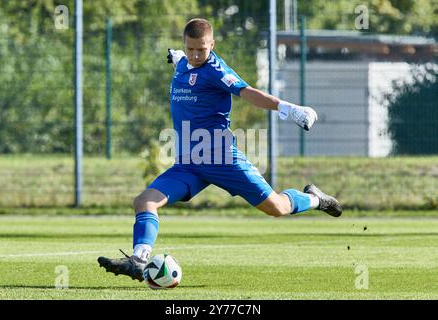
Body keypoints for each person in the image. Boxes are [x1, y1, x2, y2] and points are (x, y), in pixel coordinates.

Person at [98, 18, 342, 281]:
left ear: (212, 45)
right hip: (189, 163)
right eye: (190, 49)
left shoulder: (216, 70)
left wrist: (287, 108)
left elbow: (247, 92)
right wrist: (181, 57)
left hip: (222, 158)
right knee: (144, 201)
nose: (194, 55)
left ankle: (316, 198)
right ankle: (138, 259)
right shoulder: (183, 64)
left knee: (277, 208)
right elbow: (185, 66)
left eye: (201, 50)